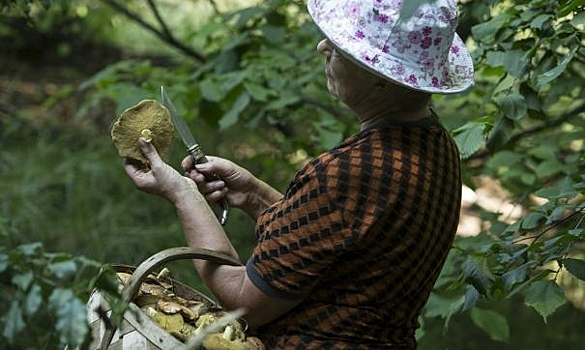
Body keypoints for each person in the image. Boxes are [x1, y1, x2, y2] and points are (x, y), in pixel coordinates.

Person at [123, 0, 474, 348]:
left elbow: (244, 303)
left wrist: (183, 194)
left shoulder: (348, 173)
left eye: (341, 46)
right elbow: (337, 240)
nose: (324, 46)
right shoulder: (438, 145)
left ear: (380, 77)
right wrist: (255, 195)